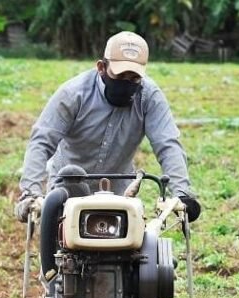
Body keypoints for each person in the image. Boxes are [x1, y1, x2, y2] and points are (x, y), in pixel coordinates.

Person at [14, 31, 201, 223]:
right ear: (101, 67)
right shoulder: (74, 94)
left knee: (130, 246)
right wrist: (31, 193)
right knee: (60, 245)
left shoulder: (149, 97)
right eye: (120, 75)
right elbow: (42, 141)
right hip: (68, 186)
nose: (127, 83)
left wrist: (181, 194)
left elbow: (167, 144)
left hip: (119, 192)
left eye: (134, 77)